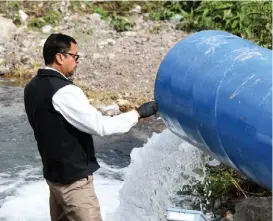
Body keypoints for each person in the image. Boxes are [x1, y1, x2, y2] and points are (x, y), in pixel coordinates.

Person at [24, 33, 158, 221]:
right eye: (75, 56)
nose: (77, 62)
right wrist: (138, 113)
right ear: (60, 57)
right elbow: (101, 126)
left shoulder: (32, 86)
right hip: (74, 184)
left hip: (53, 178)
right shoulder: (64, 91)